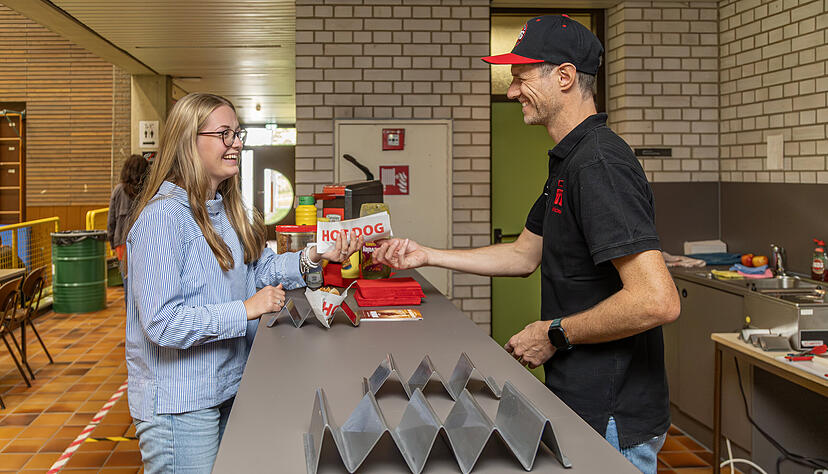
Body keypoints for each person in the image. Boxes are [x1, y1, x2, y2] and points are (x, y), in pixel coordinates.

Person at [374, 15, 680, 474]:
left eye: (521, 78)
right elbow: (523, 254)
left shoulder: (598, 164)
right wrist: (428, 255)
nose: (513, 91)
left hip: (610, 414)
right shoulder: (568, 162)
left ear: (564, 77)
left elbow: (657, 301)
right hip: (578, 399)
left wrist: (553, 332)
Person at [124, 92, 361, 473]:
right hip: (181, 403)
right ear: (189, 141)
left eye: (238, 134)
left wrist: (314, 255)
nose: (235, 143)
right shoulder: (163, 219)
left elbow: (255, 272)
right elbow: (162, 323)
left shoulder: (221, 209)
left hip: (224, 386)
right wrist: (246, 309)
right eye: (224, 134)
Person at [108, 154, 149, 281]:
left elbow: (111, 220)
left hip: (122, 242)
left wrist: (112, 242)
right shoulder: (147, 190)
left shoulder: (118, 190)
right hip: (144, 241)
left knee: (127, 282)